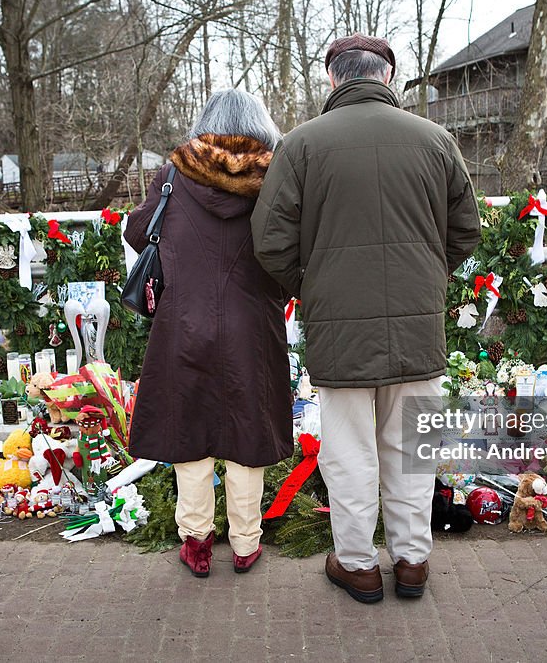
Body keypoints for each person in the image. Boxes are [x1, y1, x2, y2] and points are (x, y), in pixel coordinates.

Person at [251, 34, 481, 603]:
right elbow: (465, 231)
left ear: (333, 78)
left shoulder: (301, 146)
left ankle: (356, 565)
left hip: (338, 327)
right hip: (417, 324)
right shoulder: (436, 141)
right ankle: (412, 563)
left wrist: (314, 287)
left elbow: (270, 240)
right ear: (388, 77)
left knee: (348, 451)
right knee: (411, 449)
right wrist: (429, 278)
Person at [124, 89, 293, 578]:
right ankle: (245, 542)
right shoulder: (277, 177)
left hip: (182, 323)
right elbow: (290, 249)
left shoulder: (174, 174)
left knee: (188, 431)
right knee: (248, 430)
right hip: (254, 326)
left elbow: (140, 233)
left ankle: (196, 542)